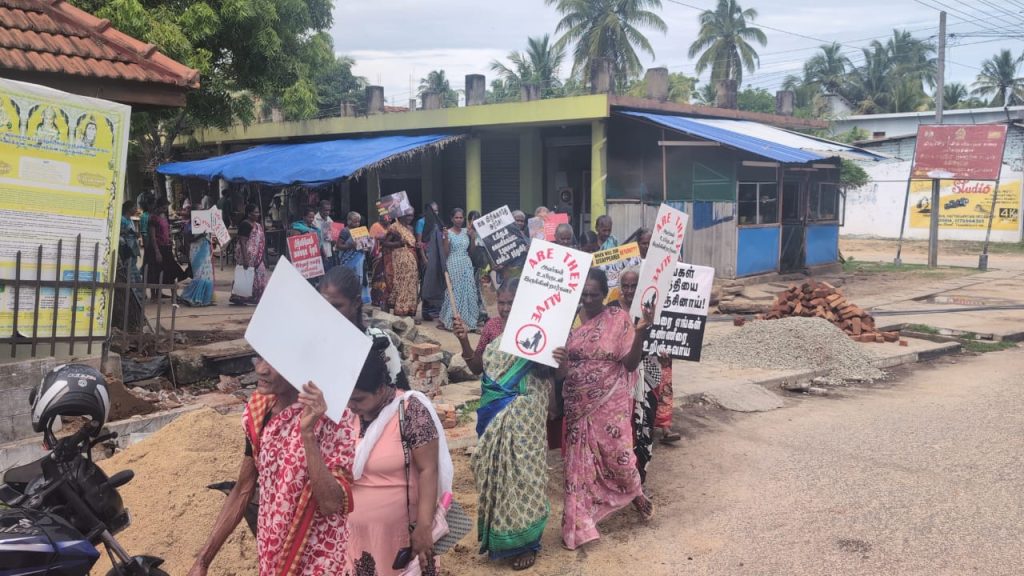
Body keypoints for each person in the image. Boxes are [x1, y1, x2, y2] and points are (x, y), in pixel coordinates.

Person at [187, 356, 356, 576]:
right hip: (272, 552)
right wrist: (203, 561)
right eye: (259, 358)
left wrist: (307, 434)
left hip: (321, 557)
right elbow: (243, 488)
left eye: (274, 362)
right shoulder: (260, 411)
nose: (261, 370)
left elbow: (331, 504)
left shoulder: (333, 418)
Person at [451, 279, 554, 571]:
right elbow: (477, 368)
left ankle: (527, 543)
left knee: (524, 473)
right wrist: (463, 340)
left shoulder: (538, 328)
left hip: (525, 415)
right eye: (502, 302)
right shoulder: (492, 328)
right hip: (493, 411)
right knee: (494, 471)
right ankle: (499, 535)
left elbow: (547, 372)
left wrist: (555, 356)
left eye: (512, 302)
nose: (506, 308)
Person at [553, 268, 655, 550]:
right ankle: (578, 525)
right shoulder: (567, 320)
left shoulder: (618, 319)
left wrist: (640, 335)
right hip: (577, 402)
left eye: (594, 295)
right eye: (584, 294)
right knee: (577, 465)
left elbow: (630, 364)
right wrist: (559, 362)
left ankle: (634, 491)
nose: (588, 300)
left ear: (605, 293)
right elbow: (559, 374)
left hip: (611, 401)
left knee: (619, 456)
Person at [346, 343, 453, 576]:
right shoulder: (348, 417)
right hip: (356, 537)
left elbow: (428, 469)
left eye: (358, 400)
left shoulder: (410, 411)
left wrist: (424, 526)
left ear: (379, 389)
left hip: (401, 537)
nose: (352, 406)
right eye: (348, 399)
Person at [617, 268, 674, 482]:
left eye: (634, 285)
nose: (630, 290)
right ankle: (622, 478)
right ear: (620, 287)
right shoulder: (612, 310)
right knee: (623, 425)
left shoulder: (653, 310)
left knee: (645, 424)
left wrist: (666, 355)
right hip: (621, 376)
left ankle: (640, 478)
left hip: (649, 371)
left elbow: (664, 343)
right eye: (626, 286)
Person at [320, 266, 406, 388]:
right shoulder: (317, 343)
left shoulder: (378, 343)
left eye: (337, 306)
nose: (329, 312)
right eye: (323, 305)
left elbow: (402, 392)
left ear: (356, 302)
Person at [439, 208, 480, 331]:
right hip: (453, 263)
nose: (459, 220)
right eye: (456, 217)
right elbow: (446, 253)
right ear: (452, 219)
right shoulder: (447, 232)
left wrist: (473, 238)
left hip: (466, 264)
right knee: (453, 291)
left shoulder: (467, 232)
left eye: (461, 217)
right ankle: (451, 320)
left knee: (468, 291)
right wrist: (445, 238)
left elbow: (472, 252)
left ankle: (467, 321)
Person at [143, 195, 186, 299]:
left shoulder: (163, 216)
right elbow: (152, 237)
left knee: (171, 271)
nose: (164, 210)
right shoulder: (153, 218)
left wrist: (169, 239)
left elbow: (166, 231)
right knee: (156, 272)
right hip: (158, 248)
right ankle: (155, 295)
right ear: (158, 207)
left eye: (166, 208)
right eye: (163, 208)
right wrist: (157, 251)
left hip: (166, 247)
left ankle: (174, 295)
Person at [382, 213, 419, 318]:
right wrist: (398, 243)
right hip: (399, 262)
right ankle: (399, 310)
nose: (410, 218)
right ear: (401, 216)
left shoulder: (410, 228)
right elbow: (385, 243)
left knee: (411, 285)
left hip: (412, 261)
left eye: (412, 216)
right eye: (407, 216)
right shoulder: (394, 227)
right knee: (400, 285)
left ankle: (408, 310)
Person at [179, 203, 216, 307]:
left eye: (203, 209)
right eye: (200, 210)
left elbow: (208, 236)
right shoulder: (189, 225)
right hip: (196, 251)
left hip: (205, 249)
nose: (202, 211)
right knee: (199, 275)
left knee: (207, 275)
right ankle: (188, 296)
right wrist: (200, 235)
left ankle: (205, 299)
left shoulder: (206, 222)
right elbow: (188, 239)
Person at [233, 204, 268, 305]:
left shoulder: (258, 225)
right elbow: (242, 242)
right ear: (249, 214)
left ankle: (255, 296)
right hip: (247, 256)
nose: (258, 214)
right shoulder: (245, 224)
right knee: (246, 275)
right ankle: (242, 297)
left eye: (258, 212)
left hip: (257, 257)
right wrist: (245, 258)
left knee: (260, 274)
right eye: (255, 212)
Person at [419, 202, 445, 323]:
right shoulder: (421, 222)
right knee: (427, 283)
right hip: (427, 257)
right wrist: (424, 258)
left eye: (437, 211)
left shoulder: (438, 223)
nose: (435, 213)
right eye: (433, 211)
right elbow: (420, 242)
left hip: (438, 257)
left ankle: (436, 310)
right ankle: (426, 312)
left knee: (437, 283)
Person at [337, 211, 370, 304]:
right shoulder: (345, 231)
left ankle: (357, 299)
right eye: (355, 222)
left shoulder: (361, 231)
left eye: (358, 222)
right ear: (349, 221)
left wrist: (367, 246)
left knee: (359, 278)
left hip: (360, 259)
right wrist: (350, 246)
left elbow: (366, 246)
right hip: (348, 260)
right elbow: (338, 245)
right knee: (348, 278)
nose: (357, 224)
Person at [313, 200, 337, 271]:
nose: (327, 212)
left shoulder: (329, 220)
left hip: (329, 252)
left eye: (329, 210)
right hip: (318, 253)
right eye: (325, 210)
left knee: (329, 273)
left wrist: (334, 238)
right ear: (320, 209)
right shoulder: (314, 220)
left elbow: (333, 237)